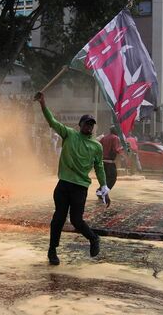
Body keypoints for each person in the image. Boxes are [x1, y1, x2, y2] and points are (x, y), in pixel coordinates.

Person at [34, 91, 108, 266]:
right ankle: (52, 251)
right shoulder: (69, 134)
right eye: (86, 123)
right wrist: (43, 103)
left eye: (91, 124)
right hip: (64, 184)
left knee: (76, 220)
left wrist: (104, 187)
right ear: (80, 124)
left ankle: (93, 238)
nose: (89, 126)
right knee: (58, 218)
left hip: (80, 187)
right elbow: (52, 121)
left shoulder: (96, 146)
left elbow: (99, 167)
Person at [99, 126, 123, 193]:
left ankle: (101, 192)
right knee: (112, 179)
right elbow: (116, 150)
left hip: (103, 162)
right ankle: (101, 192)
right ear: (115, 131)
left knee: (106, 179)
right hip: (110, 162)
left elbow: (98, 146)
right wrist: (122, 148)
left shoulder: (104, 137)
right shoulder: (115, 138)